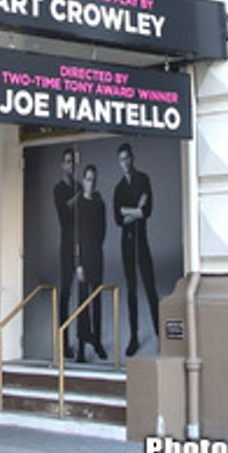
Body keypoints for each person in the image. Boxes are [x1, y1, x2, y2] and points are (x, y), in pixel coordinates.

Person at [113, 142, 161, 356]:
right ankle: (134, 336)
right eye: (121, 160)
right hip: (127, 242)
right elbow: (118, 219)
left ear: (132, 158)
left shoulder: (143, 180)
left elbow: (147, 211)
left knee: (150, 286)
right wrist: (136, 210)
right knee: (131, 289)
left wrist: (128, 211)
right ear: (119, 163)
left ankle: (160, 333)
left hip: (141, 240)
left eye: (127, 158)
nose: (125, 163)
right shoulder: (118, 189)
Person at [75, 163, 108, 362]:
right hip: (83, 258)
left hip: (97, 256)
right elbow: (76, 236)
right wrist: (79, 263)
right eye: (88, 179)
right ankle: (80, 346)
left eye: (94, 180)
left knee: (97, 300)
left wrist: (96, 249)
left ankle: (97, 341)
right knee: (82, 302)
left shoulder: (100, 204)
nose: (91, 183)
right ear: (83, 180)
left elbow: (103, 230)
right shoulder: (79, 204)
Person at [53, 148, 79, 358]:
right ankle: (63, 341)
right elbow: (63, 210)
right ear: (63, 165)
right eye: (68, 162)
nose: (71, 166)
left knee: (84, 292)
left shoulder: (78, 186)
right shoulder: (59, 189)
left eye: (73, 162)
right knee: (66, 292)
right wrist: (80, 197)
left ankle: (83, 340)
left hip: (82, 243)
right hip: (67, 245)